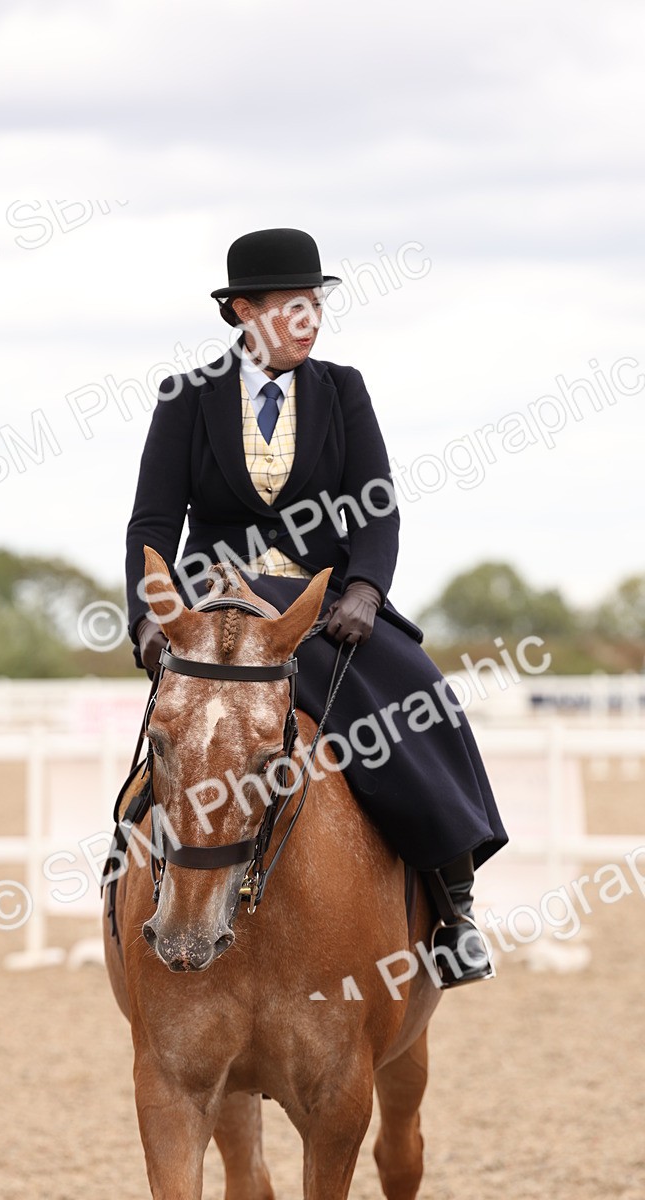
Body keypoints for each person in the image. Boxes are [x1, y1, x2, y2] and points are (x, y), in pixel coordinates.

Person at [125, 227, 508, 987]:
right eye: (290, 308)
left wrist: (365, 591)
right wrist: (149, 618)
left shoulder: (343, 389)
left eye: (315, 307)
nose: (308, 322)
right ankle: (129, 867)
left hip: (321, 606)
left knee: (423, 696)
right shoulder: (187, 399)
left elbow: (376, 508)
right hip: (216, 603)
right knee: (183, 730)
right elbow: (154, 523)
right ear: (242, 310)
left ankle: (453, 899)